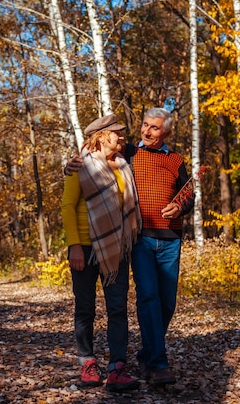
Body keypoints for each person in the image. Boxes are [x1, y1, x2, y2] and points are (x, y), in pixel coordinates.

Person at [64, 108, 195, 386]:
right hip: (117, 242)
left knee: (148, 306)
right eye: (144, 126)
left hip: (146, 242)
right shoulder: (117, 158)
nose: (144, 132)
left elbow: (188, 194)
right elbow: (73, 195)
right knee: (122, 302)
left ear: (166, 132)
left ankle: (134, 360)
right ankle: (107, 363)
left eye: (154, 128)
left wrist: (181, 206)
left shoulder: (152, 161)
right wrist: (69, 167)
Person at [61, 114, 142, 392]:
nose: (122, 137)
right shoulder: (80, 165)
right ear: (101, 136)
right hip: (84, 247)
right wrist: (74, 245)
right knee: (85, 308)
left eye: (122, 133)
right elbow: (68, 207)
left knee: (117, 308)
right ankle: (87, 363)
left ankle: (117, 368)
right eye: (117, 133)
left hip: (115, 248)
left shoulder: (123, 166)